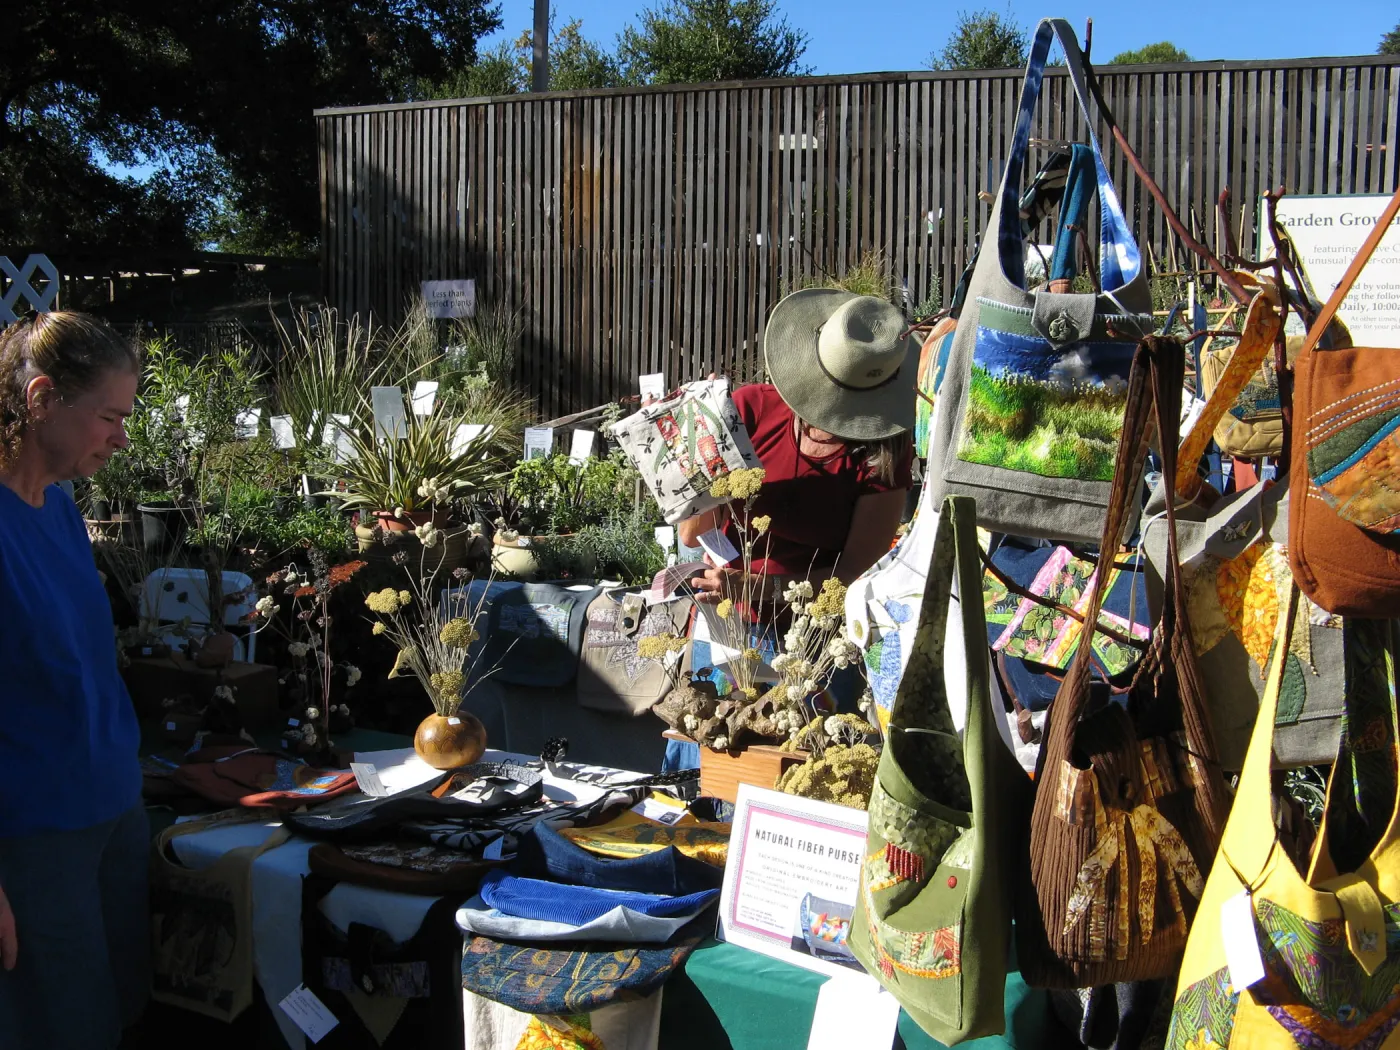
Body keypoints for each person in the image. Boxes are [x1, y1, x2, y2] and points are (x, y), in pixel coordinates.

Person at [0, 311, 147, 1049]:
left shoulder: (58, 508)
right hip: (33, 839)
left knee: (118, 1013)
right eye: (109, 416)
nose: (122, 437)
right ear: (43, 400)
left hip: (111, 808)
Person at [679, 289, 916, 602]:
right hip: (720, 618)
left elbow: (857, 575)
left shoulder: (882, 456)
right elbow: (691, 534)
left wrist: (762, 588)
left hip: (810, 635)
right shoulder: (749, 409)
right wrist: (709, 446)